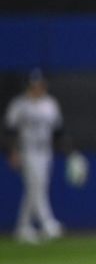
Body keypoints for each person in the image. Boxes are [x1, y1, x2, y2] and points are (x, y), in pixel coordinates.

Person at [4, 68, 67, 244]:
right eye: (34, 85)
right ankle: (48, 223)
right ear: (29, 86)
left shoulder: (50, 104)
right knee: (36, 185)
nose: (37, 88)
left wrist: (69, 151)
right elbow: (9, 131)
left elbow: (59, 131)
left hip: (45, 151)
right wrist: (12, 152)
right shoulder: (19, 105)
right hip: (27, 150)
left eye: (40, 85)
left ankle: (23, 227)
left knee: (37, 187)